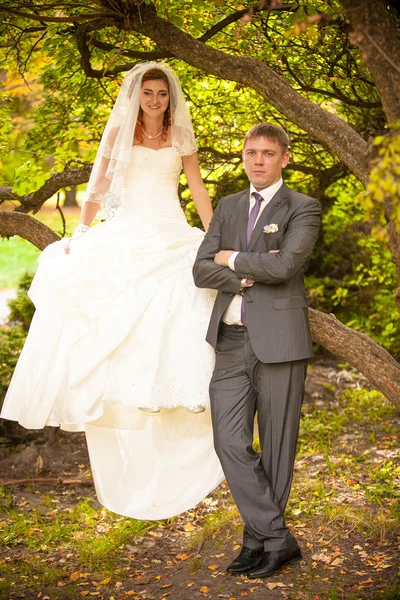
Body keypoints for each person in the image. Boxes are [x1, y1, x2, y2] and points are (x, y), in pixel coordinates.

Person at [1, 62, 224, 520]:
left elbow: (198, 189)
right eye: (149, 93)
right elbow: (98, 186)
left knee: (181, 296)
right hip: (129, 228)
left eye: (162, 93)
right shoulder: (122, 130)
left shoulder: (181, 136)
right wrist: (82, 233)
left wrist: (214, 234)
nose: (156, 100)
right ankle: (118, 395)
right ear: (138, 96)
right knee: (106, 295)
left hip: (170, 227)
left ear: (170, 97)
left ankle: (175, 398)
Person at [193, 123, 321, 578]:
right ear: (243, 156)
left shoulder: (302, 207)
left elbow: (287, 264)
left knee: (278, 448)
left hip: (281, 342)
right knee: (228, 440)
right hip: (229, 342)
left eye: (268, 153)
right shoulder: (227, 206)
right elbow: (200, 270)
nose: (258, 160)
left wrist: (231, 259)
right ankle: (276, 537)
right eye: (251, 152)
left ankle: (257, 542)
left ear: (284, 157)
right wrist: (248, 274)